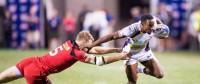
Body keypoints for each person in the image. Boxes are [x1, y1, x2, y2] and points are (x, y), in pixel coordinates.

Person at [0, 31, 130, 84]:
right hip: (36, 73)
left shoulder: (70, 43)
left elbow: (94, 49)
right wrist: (120, 56)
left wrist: (116, 49)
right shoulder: (77, 53)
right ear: (84, 42)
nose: (92, 45)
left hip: (29, 62)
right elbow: (100, 61)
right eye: (90, 42)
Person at [83, 14, 167, 84]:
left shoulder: (153, 25)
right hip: (130, 53)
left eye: (153, 26)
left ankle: (138, 70)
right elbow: (111, 36)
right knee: (132, 82)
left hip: (144, 51)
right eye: (150, 26)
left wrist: (162, 28)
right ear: (142, 25)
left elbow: (155, 19)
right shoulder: (132, 29)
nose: (152, 29)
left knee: (160, 74)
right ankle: (133, 70)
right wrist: (92, 45)